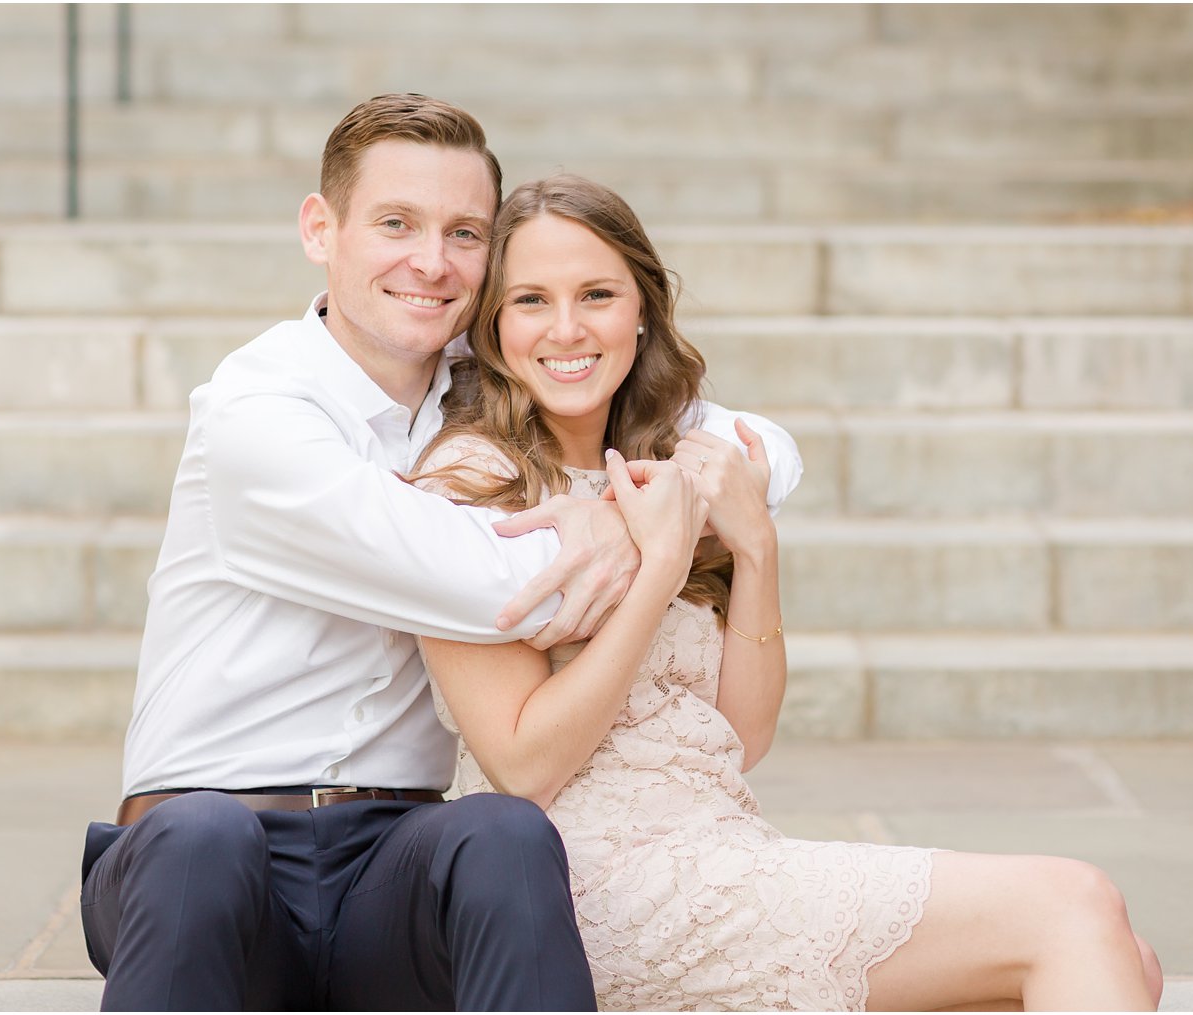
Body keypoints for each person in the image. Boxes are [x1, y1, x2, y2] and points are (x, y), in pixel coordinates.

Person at [77, 95, 803, 1011]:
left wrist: (636, 503)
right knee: (203, 840)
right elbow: (492, 581)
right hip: (204, 857)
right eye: (396, 224)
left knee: (501, 832)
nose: (431, 262)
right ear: (320, 228)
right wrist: (633, 520)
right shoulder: (257, 414)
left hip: (390, 864)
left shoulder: (477, 379)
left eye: (464, 233)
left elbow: (760, 443)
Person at [413, 173, 1166, 1012]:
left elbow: (743, 731)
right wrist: (657, 569)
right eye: (530, 300)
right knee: (1075, 905)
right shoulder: (471, 487)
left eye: (597, 293)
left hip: (719, 844)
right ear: (492, 325)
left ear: (642, 311)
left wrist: (755, 546)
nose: (567, 328)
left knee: (1129, 961)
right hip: (591, 884)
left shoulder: (676, 462)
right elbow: (521, 769)